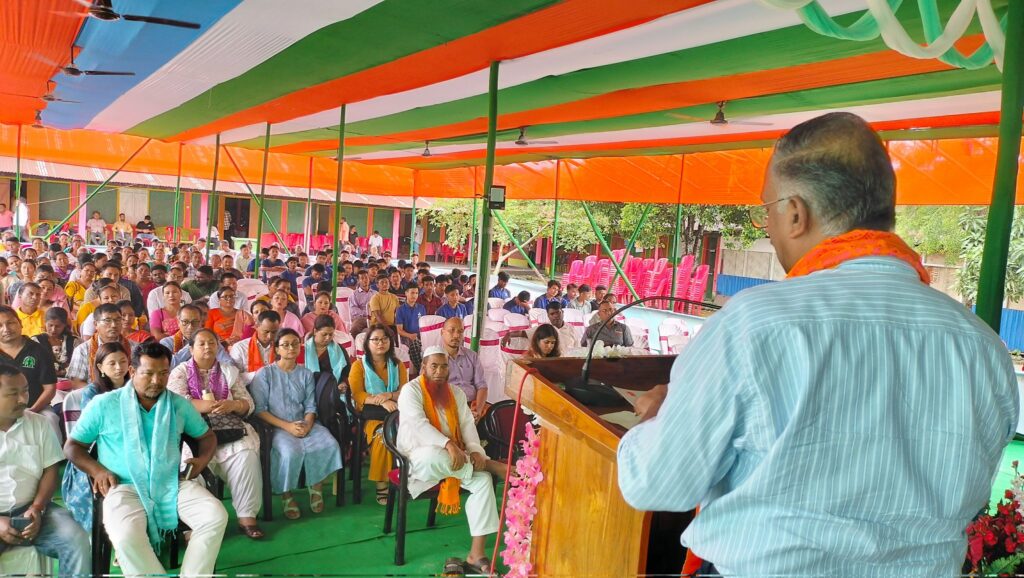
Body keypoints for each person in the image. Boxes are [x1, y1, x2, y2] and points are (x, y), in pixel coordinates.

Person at [618, 112, 1021, 577]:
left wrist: (663, 418)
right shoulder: (982, 347)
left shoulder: (755, 324)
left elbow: (656, 483)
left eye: (766, 210)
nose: (768, 227)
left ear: (795, 213)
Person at [65, 342, 227, 576]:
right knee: (125, 535)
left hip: (170, 484)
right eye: (148, 373)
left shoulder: (179, 405)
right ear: (132, 371)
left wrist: (202, 461)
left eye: (163, 373)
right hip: (122, 486)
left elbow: (207, 436)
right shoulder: (104, 404)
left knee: (215, 515)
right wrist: (97, 470)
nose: (156, 381)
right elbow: (73, 447)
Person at [396, 347, 506, 575]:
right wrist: (448, 444)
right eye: (433, 366)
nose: (439, 371)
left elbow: (467, 424)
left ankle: (476, 555)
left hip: (456, 459)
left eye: (443, 366)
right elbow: (419, 425)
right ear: (423, 367)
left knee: (484, 481)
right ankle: (491, 465)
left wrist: (474, 450)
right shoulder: (410, 391)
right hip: (416, 458)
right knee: (433, 455)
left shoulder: (455, 392)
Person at [168, 329, 265, 540]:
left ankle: (247, 517)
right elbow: (177, 403)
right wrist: (210, 406)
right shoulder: (180, 372)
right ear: (191, 349)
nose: (207, 347)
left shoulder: (229, 371)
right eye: (201, 343)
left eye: (212, 343)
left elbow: (248, 404)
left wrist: (233, 405)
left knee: (246, 454)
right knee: (189, 465)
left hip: (228, 430)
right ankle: (195, 524)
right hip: (192, 435)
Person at [0, 364, 91, 577]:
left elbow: (50, 469)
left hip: (33, 510)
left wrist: (37, 508)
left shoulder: (39, 423)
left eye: (25, 391)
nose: (22, 399)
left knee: (76, 539)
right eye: (13, 394)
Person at [251, 328, 343, 520]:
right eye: (285, 345)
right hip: (277, 426)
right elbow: (260, 410)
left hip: (305, 422)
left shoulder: (305, 373)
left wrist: (308, 424)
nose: (291, 348)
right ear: (277, 349)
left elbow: (310, 405)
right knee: (289, 452)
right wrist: (287, 427)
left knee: (329, 444)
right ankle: (286, 494)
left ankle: (316, 486)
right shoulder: (265, 374)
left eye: (295, 344)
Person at [60, 342, 129, 531]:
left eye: (123, 361)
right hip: (97, 449)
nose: (119, 367)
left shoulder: (134, 387)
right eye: (112, 363)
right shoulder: (93, 392)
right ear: (100, 367)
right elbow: (94, 427)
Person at [348, 324, 408, 505]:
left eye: (384, 339)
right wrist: (381, 401)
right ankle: (382, 485)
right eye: (375, 340)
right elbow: (358, 394)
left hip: (397, 414)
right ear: (367, 343)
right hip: (372, 418)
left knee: (413, 435)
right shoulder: (359, 366)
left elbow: (404, 391)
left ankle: (406, 479)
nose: (380, 343)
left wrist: (389, 395)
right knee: (384, 438)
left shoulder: (397, 365)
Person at [0, 305, 58, 436]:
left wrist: (32, 410)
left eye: (10, 323)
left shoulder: (39, 351)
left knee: (51, 420)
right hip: (1, 412)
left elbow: (50, 388)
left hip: (37, 408)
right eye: (0, 325)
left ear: (20, 323)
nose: (6, 329)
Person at [66, 303, 132, 390]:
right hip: (95, 395)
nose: (114, 325)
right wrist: (103, 393)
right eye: (107, 320)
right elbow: (76, 382)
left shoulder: (133, 347)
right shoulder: (83, 350)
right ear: (95, 324)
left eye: (118, 320)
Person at [439, 317, 488, 421]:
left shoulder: (472, 356)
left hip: (472, 405)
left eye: (460, 331)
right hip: (448, 408)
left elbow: (482, 385)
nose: (456, 335)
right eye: (452, 330)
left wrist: (478, 410)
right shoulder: (434, 359)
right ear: (442, 332)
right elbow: (429, 389)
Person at [34, 307, 80, 390]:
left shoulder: (74, 341)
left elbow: (79, 364)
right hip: (44, 384)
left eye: (58, 326)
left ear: (64, 325)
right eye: (50, 325)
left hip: (71, 383)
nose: (53, 330)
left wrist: (63, 372)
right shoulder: (36, 341)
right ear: (45, 323)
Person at [231, 310, 282, 385]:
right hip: (248, 389)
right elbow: (234, 377)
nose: (269, 336)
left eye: (274, 332)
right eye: (266, 332)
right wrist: (258, 374)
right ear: (256, 327)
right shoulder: (240, 348)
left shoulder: (282, 346)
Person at [304, 314, 351, 393]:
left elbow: (347, 372)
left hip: (335, 392)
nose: (328, 338)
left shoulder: (339, 350)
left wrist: (343, 383)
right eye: (324, 334)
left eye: (331, 334)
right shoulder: (304, 350)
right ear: (315, 331)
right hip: (309, 392)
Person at [395, 285, 425, 373]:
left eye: (416, 293)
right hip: (406, 336)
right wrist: (410, 336)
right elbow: (399, 330)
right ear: (406, 293)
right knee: (414, 343)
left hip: (420, 336)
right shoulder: (400, 310)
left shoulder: (421, 308)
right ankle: (421, 370)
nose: (414, 295)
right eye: (412, 293)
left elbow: (424, 326)